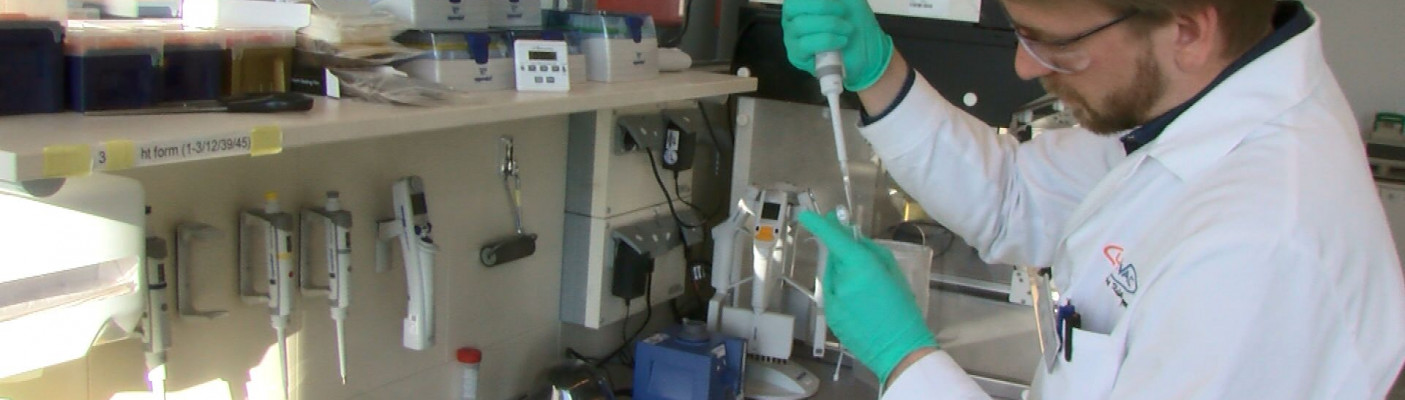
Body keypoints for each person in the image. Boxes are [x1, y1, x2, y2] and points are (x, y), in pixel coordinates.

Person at [782, 0, 1405, 398]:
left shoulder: (1265, 251)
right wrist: (878, 73)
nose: (1025, 67)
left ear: (1188, 30)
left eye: (1051, 41)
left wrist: (906, 360)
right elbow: (1016, 199)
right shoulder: (1192, 98)